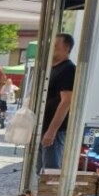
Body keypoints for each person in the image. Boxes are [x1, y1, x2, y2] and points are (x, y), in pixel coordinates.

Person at [41, 33, 76, 170]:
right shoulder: (53, 68)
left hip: (54, 130)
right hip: (43, 126)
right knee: (41, 170)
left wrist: (51, 131)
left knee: (50, 172)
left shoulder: (68, 69)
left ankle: (49, 192)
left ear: (66, 48)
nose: (51, 49)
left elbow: (66, 101)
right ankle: (39, 192)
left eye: (55, 46)